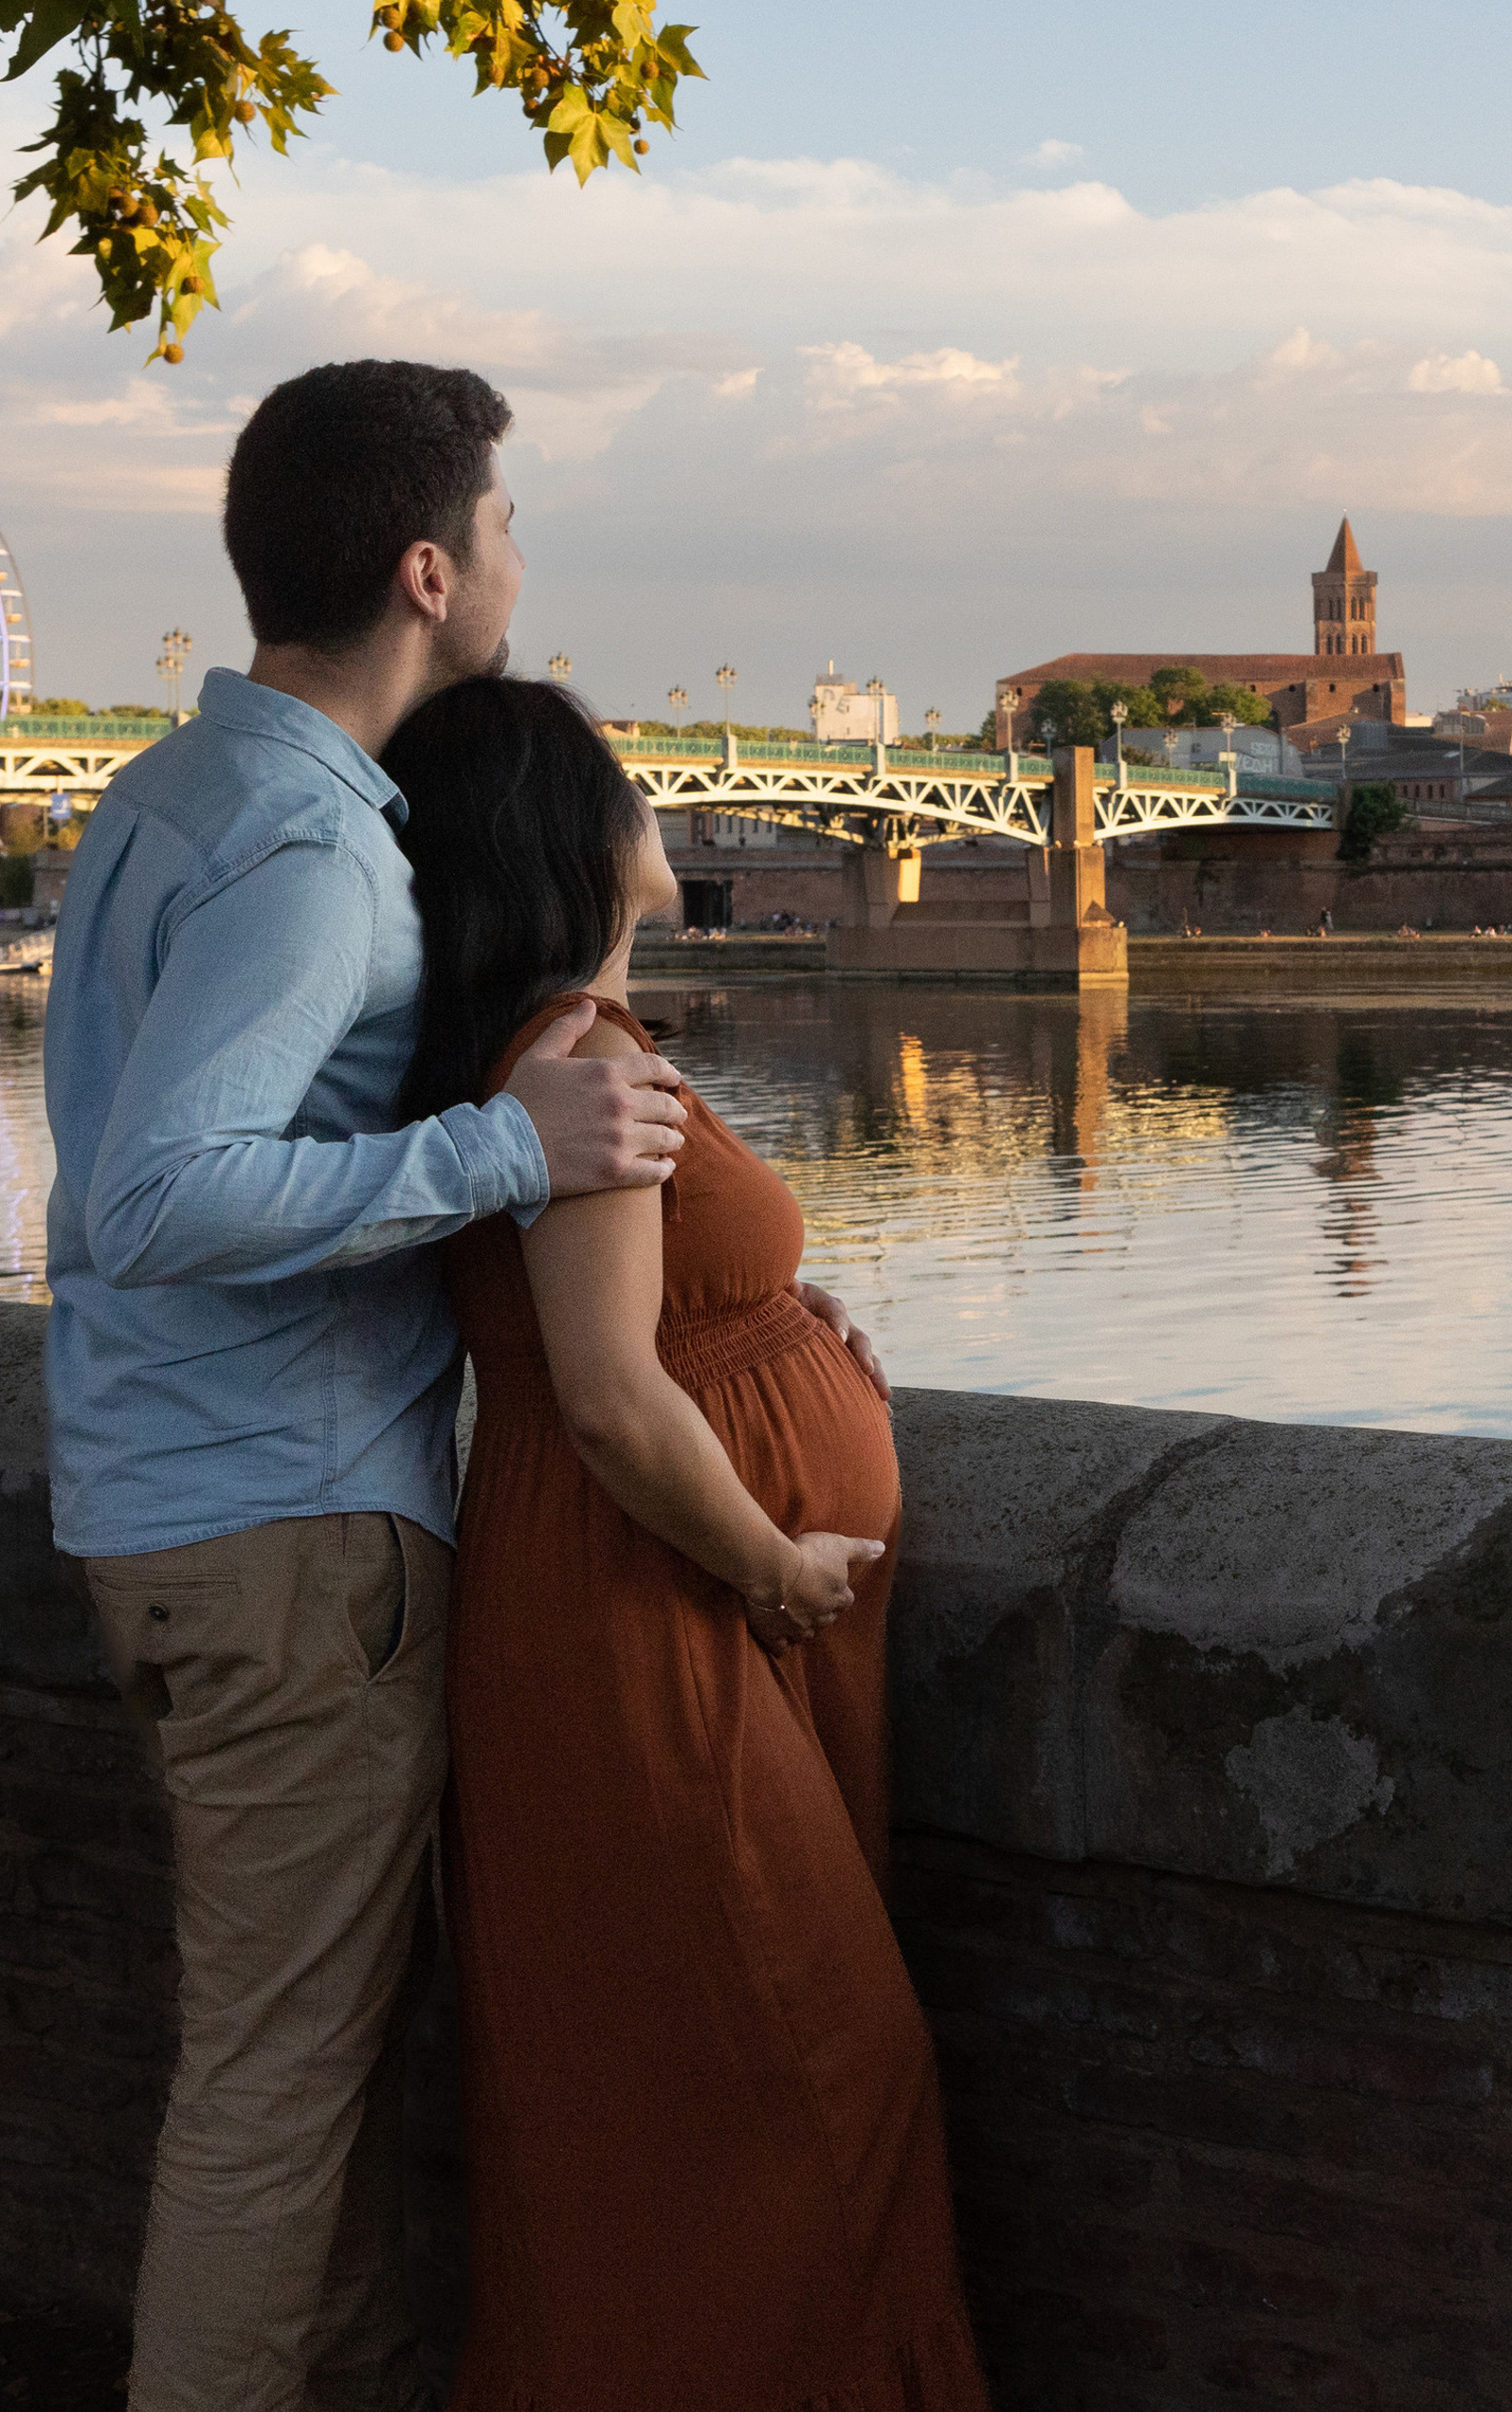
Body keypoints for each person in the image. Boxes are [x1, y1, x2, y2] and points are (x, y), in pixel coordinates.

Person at [42, 360, 693, 2412]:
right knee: (276, 2098)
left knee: (299, 2079)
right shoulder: (319, 855)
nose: (520, 563)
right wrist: (521, 1153)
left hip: (166, 1505)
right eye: (506, 530)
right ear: (430, 569)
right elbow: (159, 1194)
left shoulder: (170, 792)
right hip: (287, 1532)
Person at [386, 676, 990, 2412]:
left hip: (645, 1596)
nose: (656, 811)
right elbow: (608, 1402)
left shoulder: (563, 1054)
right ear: (577, 841)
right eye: (626, 786)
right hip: (642, 1607)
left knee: (683, 2080)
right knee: (802, 2070)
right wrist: (777, 1566)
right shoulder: (577, 1064)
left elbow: (658, 1329)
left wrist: (790, 1323)